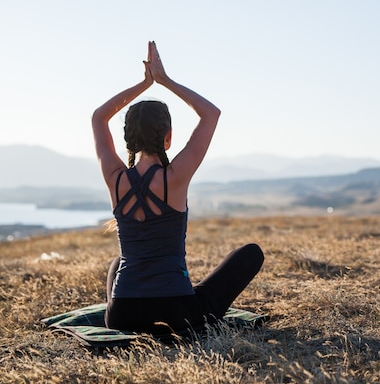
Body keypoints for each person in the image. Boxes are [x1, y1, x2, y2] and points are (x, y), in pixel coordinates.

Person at [92, 41, 264, 334]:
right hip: (180, 310)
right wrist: (164, 81)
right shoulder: (176, 176)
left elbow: (98, 117)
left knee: (120, 263)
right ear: (167, 138)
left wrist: (143, 84)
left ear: (128, 142)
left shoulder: (115, 177)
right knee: (251, 252)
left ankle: (140, 317)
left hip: (122, 314)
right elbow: (211, 113)